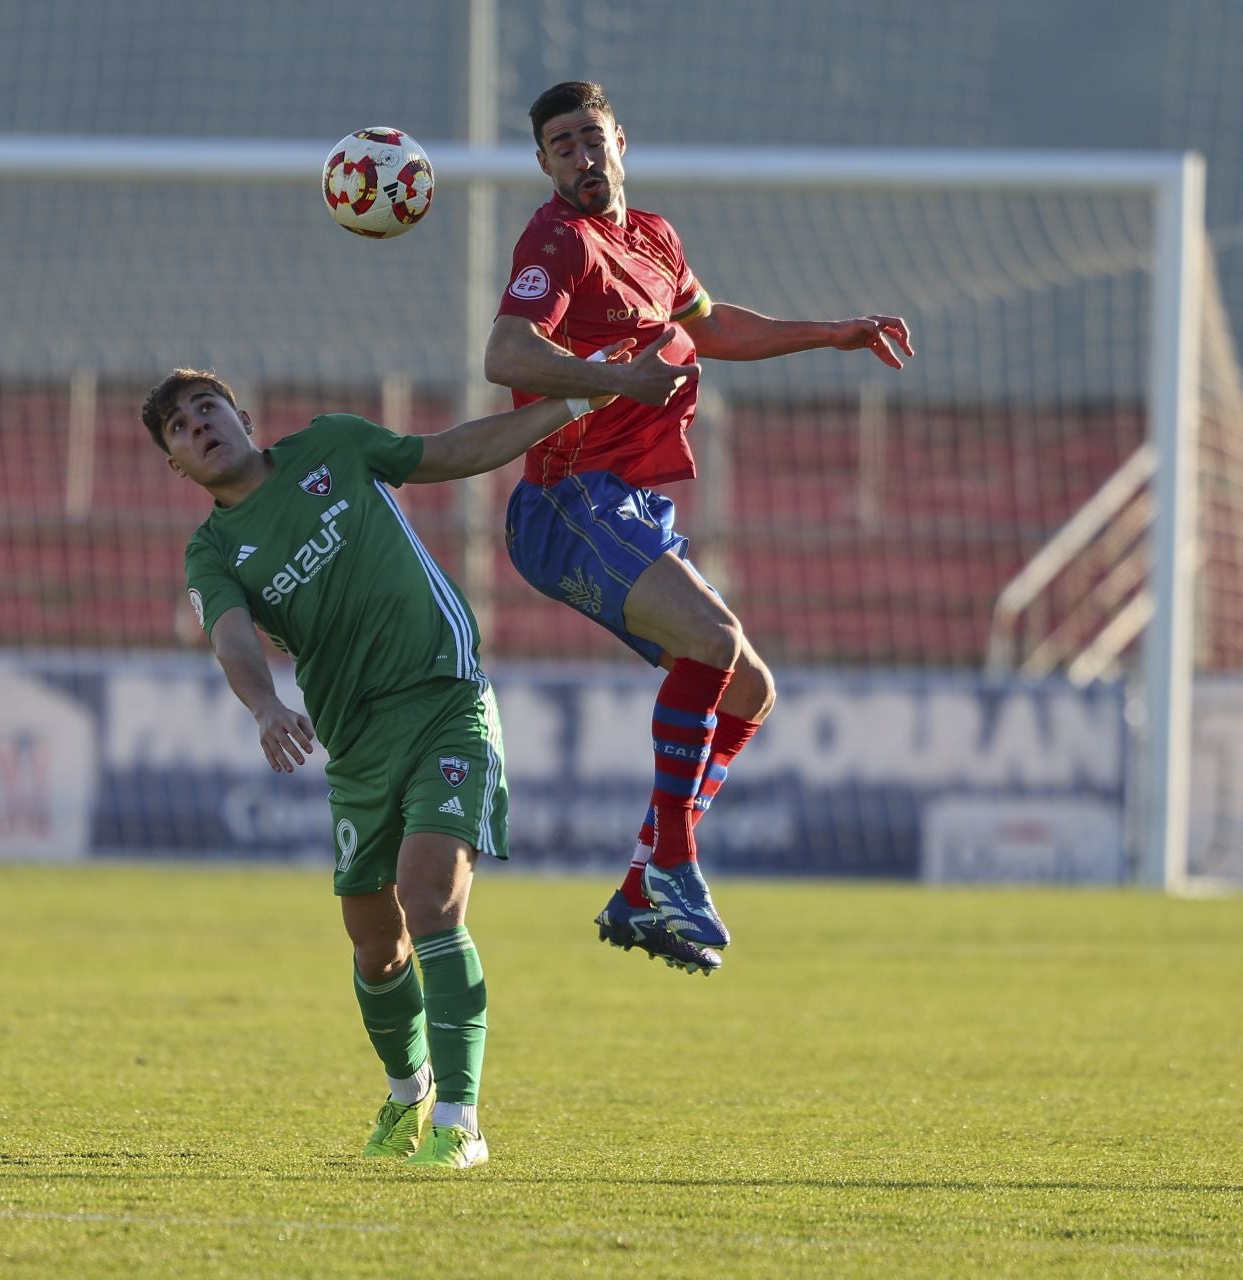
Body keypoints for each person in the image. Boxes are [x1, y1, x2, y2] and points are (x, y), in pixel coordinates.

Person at [145, 352, 682, 1169]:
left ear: (243, 419)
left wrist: (572, 403)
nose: (199, 428)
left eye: (207, 408)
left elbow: (454, 451)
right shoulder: (213, 553)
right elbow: (230, 640)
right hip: (356, 744)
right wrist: (264, 706)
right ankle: (409, 1094)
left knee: (429, 897)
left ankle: (460, 1122)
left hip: (445, 698)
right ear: (178, 465)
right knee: (377, 947)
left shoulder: (335, 444)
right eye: (180, 428)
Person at [485, 80, 913, 969]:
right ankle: (674, 863)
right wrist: (609, 379)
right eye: (560, 144)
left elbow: (710, 326)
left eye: (590, 137)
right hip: (566, 501)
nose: (580, 155)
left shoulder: (653, 239)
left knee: (750, 688)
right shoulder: (555, 241)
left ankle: (645, 882)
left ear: (620, 142)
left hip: (628, 506)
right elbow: (505, 352)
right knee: (714, 641)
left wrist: (830, 333)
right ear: (544, 163)